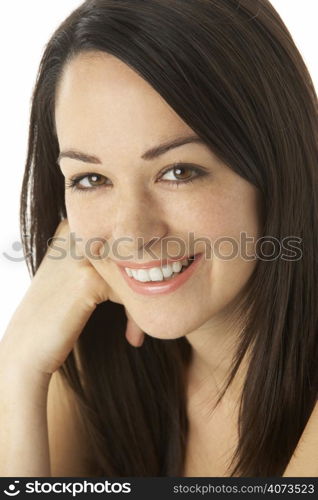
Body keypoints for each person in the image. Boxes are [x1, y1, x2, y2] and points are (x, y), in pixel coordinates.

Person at [0, 0, 317, 477]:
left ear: (276, 167)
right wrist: (17, 368)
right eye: (91, 179)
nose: (131, 234)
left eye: (179, 171)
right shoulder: (92, 357)